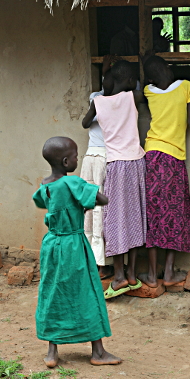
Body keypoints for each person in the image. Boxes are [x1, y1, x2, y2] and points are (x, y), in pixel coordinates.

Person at [32, 136, 121, 368]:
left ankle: (52, 353)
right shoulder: (72, 183)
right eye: (74, 156)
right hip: (73, 243)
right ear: (65, 162)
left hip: (51, 244)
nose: (77, 159)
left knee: (53, 292)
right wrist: (86, 191)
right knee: (87, 292)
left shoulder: (46, 184)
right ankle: (98, 353)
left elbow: (41, 202)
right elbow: (103, 199)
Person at [83, 60, 146, 299]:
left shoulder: (98, 102)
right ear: (130, 81)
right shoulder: (134, 96)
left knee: (116, 221)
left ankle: (119, 277)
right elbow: (139, 87)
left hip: (117, 165)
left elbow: (85, 122)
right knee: (136, 218)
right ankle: (132, 274)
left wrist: (99, 98)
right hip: (137, 163)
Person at [139, 56, 190, 287]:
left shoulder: (148, 91)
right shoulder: (186, 86)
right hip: (173, 158)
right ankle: (170, 273)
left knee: (154, 214)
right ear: (169, 68)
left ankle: (153, 276)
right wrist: (188, 105)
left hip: (152, 154)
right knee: (175, 212)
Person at [81, 69, 114, 280]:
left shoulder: (121, 100)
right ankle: (89, 258)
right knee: (87, 208)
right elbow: (85, 123)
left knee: (102, 211)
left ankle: (104, 263)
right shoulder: (96, 97)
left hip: (106, 156)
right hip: (90, 156)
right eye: (105, 80)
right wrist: (99, 100)